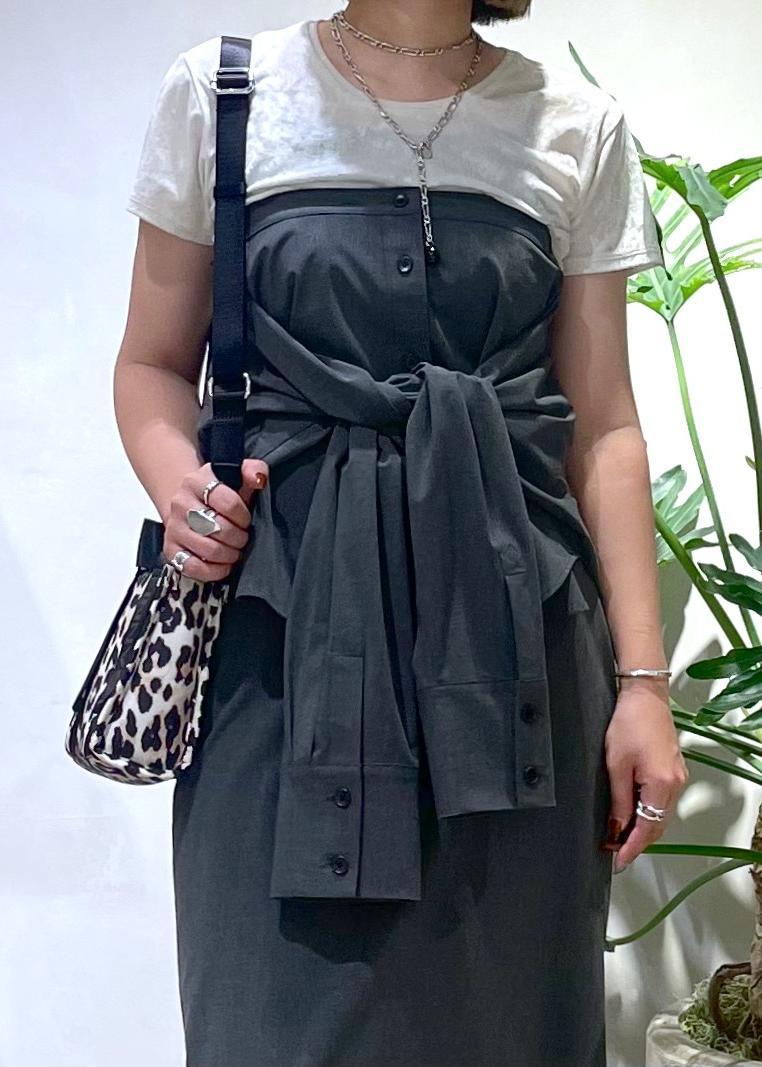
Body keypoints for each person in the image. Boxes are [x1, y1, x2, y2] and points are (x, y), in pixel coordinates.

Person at [116, 1, 689, 1064]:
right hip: (279, 630)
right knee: (267, 1011)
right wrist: (180, 490)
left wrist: (644, 685)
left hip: (515, 639)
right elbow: (151, 363)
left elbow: (604, 420)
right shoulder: (224, 93)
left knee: (509, 1015)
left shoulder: (577, 124)